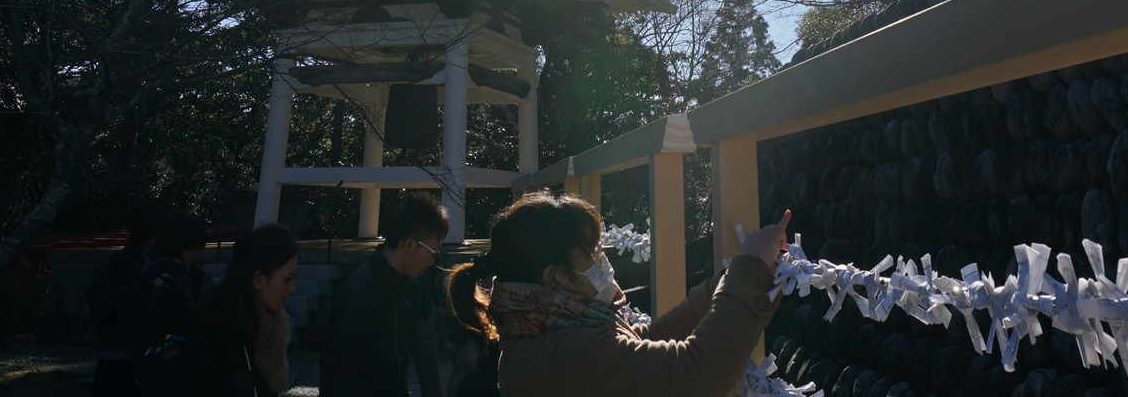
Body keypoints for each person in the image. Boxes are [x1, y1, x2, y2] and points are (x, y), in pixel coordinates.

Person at [447, 192, 791, 397]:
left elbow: (645, 339)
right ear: (556, 277)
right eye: (592, 253)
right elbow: (697, 373)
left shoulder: (539, 330)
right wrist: (749, 270)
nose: (602, 260)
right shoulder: (565, 352)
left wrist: (730, 280)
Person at [320, 192, 450, 397]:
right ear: (409, 245)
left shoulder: (409, 287)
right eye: (433, 252)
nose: (433, 262)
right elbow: (337, 378)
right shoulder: (359, 295)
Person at [148, 222, 298, 397]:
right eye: (287, 279)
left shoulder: (262, 329)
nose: (292, 289)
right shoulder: (220, 339)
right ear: (258, 280)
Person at [87, 201, 173, 397]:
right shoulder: (117, 264)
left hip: (151, 351)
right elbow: (98, 302)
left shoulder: (167, 265)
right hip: (119, 350)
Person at [138, 212, 209, 350]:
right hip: (163, 349)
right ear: (180, 244)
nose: (196, 253)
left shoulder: (192, 275)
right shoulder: (160, 277)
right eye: (193, 247)